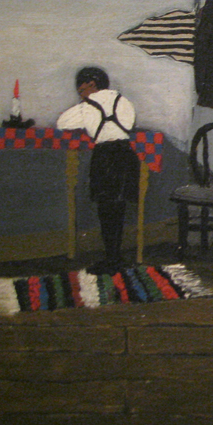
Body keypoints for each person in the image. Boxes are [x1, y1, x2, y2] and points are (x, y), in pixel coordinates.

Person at [57, 67, 139, 274]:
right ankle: (116, 257)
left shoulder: (87, 106)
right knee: (119, 208)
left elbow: (62, 123)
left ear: (92, 85)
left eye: (81, 89)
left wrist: (88, 113)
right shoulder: (123, 101)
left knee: (106, 210)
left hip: (105, 157)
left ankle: (111, 260)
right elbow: (129, 124)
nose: (80, 94)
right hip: (126, 156)